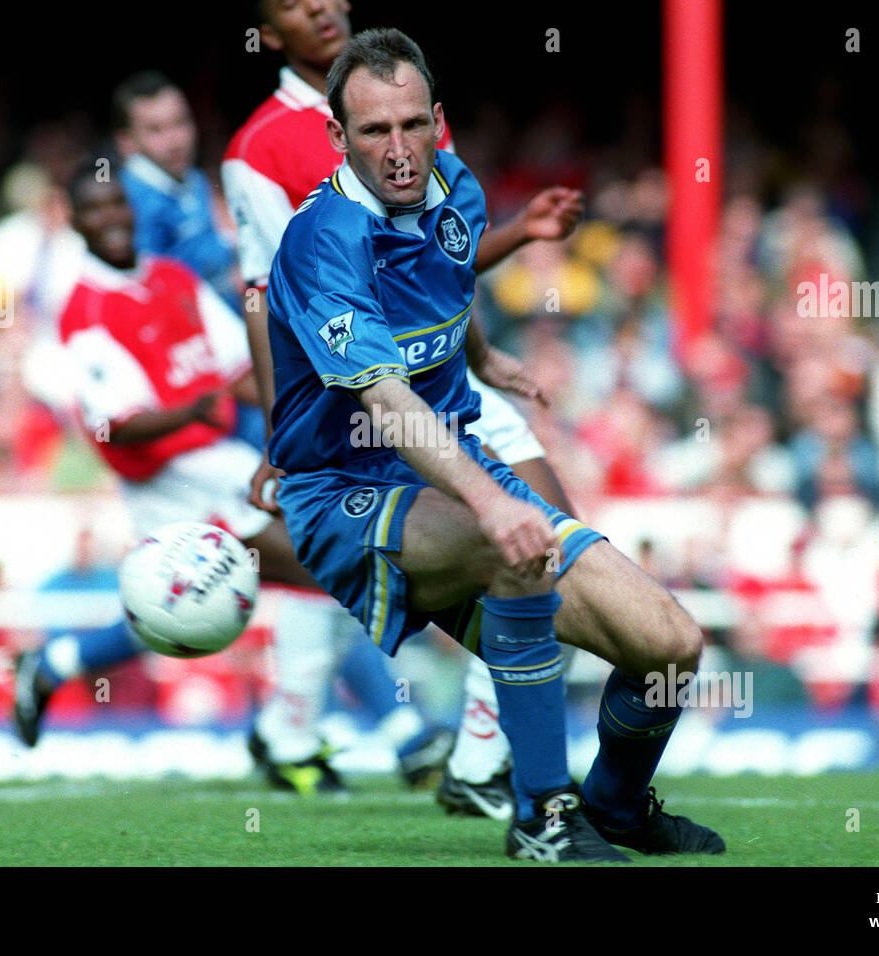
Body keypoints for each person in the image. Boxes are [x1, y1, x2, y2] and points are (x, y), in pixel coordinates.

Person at [264, 28, 724, 861]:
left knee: (668, 646)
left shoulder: (457, 188)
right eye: (373, 130)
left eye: (412, 124)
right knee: (511, 544)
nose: (397, 149)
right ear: (337, 137)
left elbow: (446, 278)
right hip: (343, 493)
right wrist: (491, 499)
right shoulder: (321, 239)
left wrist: (480, 357)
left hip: (450, 469)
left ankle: (616, 806)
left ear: (438, 121)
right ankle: (541, 814)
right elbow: (385, 401)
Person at [223, 0, 586, 822]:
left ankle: (480, 760)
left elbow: (443, 255)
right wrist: (282, 434)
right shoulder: (257, 150)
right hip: (365, 395)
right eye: (295, 4)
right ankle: (339, 728)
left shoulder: (402, 94)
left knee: (554, 545)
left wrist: (486, 347)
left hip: (450, 377)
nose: (320, 10)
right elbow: (265, 294)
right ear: (270, 31)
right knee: (486, 558)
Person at [13, 170, 450, 791]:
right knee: (321, 569)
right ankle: (369, 732)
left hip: (219, 462)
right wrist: (197, 407)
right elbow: (115, 426)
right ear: (75, 222)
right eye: (95, 208)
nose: (111, 217)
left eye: (118, 204)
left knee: (197, 605)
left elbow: (241, 370)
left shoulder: (174, 279)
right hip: (168, 479)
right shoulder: (84, 311)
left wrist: (298, 418)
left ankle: (55, 664)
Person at [112, 71, 240, 304]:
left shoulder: (194, 177)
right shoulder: (129, 203)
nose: (175, 140)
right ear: (126, 142)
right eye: (155, 130)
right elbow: (150, 293)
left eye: (180, 122)